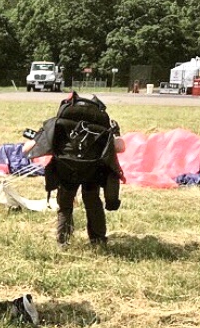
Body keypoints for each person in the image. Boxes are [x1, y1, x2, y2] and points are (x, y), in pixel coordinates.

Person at [24, 92, 125, 248]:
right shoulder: (101, 126)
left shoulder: (58, 124)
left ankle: (63, 242)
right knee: (93, 203)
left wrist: (48, 139)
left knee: (65, 206)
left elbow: (26, 150)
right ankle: (98, 241)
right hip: (93, 172)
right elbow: (121, 147)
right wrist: (115, 134)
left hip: (66, 172)